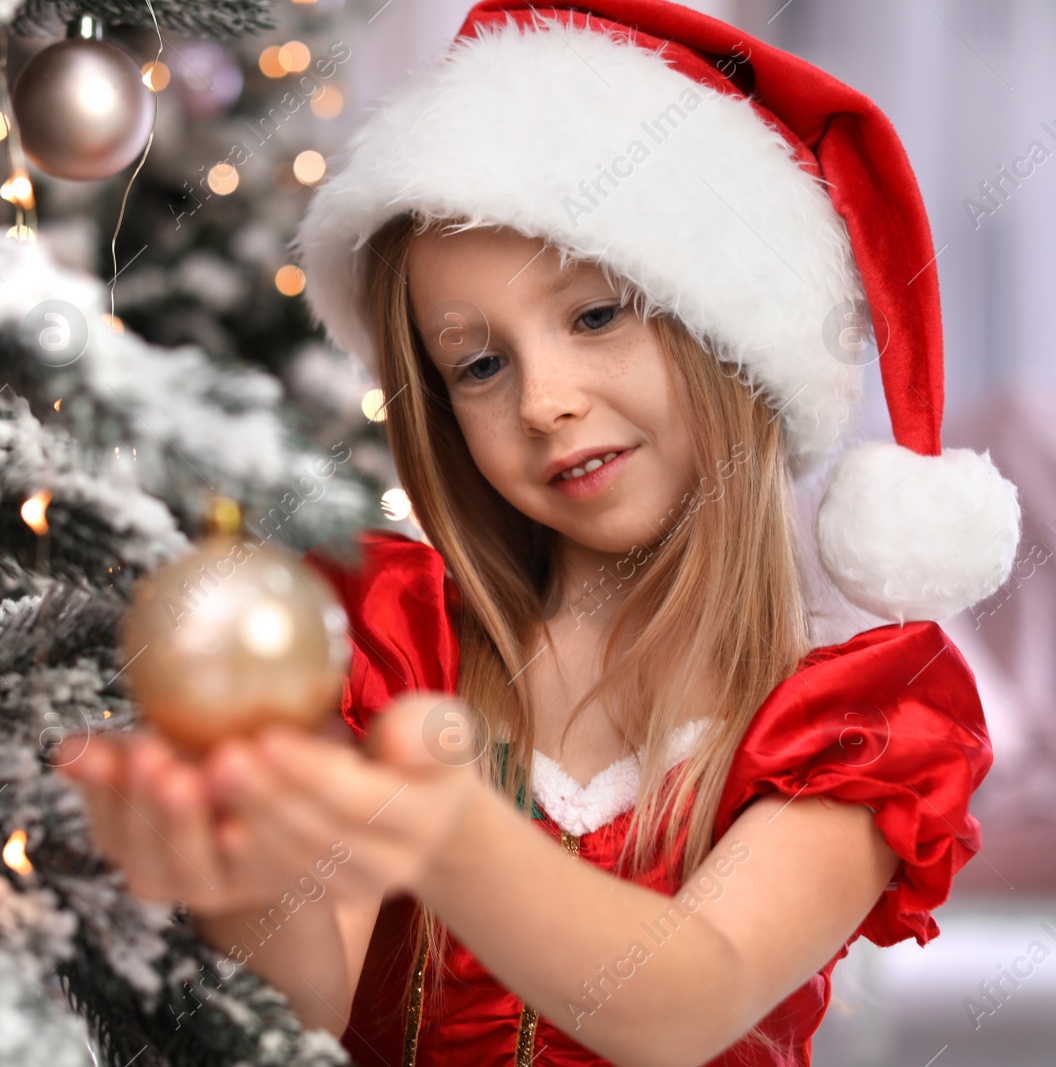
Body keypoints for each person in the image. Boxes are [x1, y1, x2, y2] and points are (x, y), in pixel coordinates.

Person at [53, 1, 1023, 1064]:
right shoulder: (390, 638)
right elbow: (303, 1012)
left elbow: (685, 996)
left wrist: (444, 827)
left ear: (727, 334)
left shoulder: (855, 713)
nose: (545, 400)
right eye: (478, 364)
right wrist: (241, 876)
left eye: (597, 314)